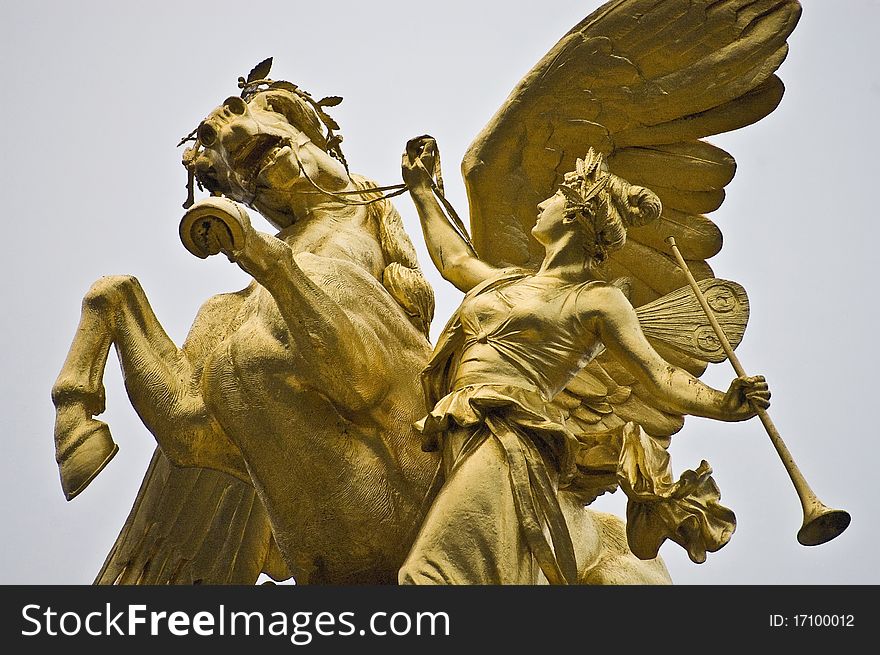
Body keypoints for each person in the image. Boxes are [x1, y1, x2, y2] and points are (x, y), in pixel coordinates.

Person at [398, 136, 770, 584]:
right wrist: (421, 190)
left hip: (508, 438)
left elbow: (659, 375)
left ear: (576, 214)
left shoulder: (599, 301)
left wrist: (724, 404)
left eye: (553, 197)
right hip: (459, 428)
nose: (541, 204)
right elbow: (454, 259)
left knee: (428, 574)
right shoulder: (510, 281)